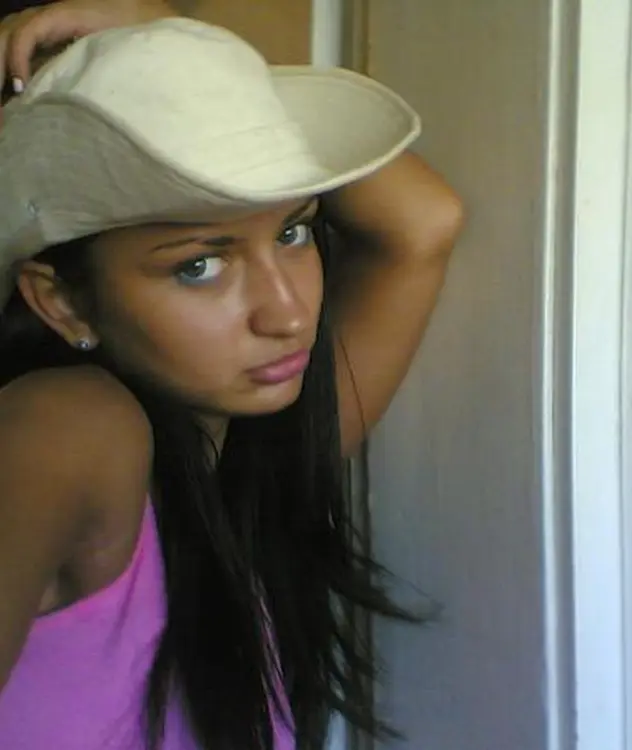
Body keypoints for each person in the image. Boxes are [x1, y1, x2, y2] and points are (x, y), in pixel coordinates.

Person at [0, 2, 464, 750]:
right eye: (198, 266)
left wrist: (165, 41)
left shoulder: (251, 463)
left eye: (293, 231)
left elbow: (422, 223)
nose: (287, 314)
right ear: (63, 302)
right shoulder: (70, 424)